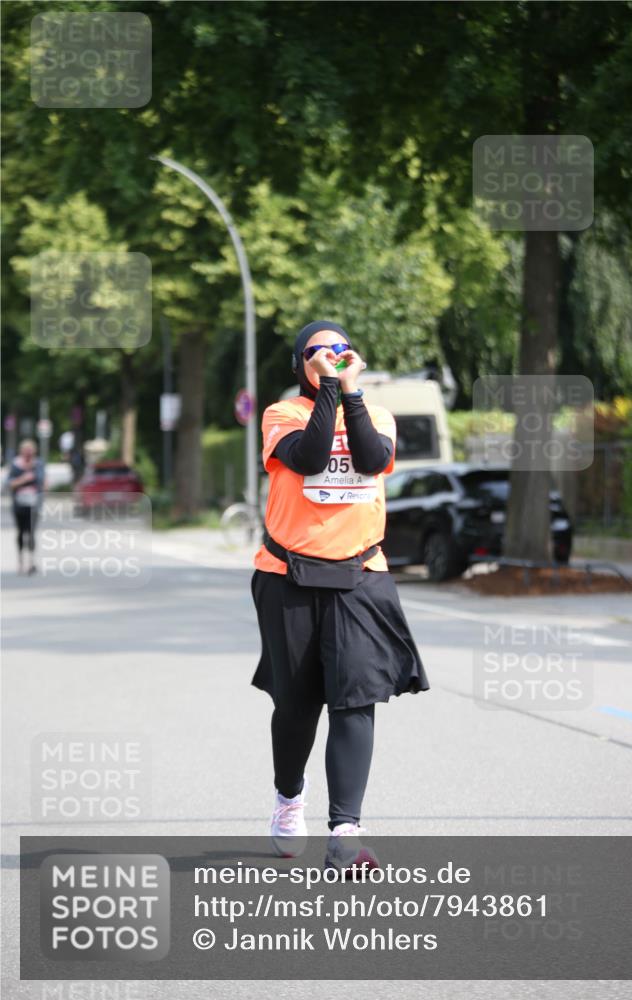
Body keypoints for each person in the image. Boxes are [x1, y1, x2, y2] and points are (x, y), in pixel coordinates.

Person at [251, 320, 430, 874]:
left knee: (355, 698)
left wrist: (349, 390)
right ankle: (288, 799)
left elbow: (373, 460)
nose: (330, 356)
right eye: (316, 351)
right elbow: (306, 457)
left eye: (339, 349)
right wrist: (329, 387)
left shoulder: (375, 415)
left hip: (361, 575)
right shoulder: (282, 416)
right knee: (298, 702)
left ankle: (346, 832)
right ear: (300, 364)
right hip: (287, 575)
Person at [8, 439, 45, 575]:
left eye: (30, 451)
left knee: (31, 533)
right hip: (19, 504)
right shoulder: (15, 465)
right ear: (21, 452)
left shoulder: (39, 464)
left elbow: (42, 481)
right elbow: (10, 483)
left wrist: (32, 470)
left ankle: (31, 562)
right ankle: (20, 562)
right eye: (26, 451)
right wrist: (24, 479)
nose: (28, 454)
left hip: (34, 504)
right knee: (20, 532)